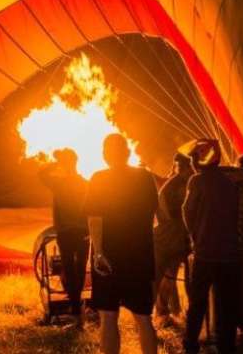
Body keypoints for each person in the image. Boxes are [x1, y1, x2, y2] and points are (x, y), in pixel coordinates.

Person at [84, 134, 158, 354]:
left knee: (108, 316)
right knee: (143, 317)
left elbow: (95, 218)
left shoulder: (99, 178)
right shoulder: (144, 177)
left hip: (109, 257)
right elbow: (154, 213)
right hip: (140, 255)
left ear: (106, 154)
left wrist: (98, 253)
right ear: (127, 152)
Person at [182, 139, 241, 354]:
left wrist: (195, 237)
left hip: (205, 253)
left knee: (197, 303)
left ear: (199, 161)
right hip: (230, 254)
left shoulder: (197, 181)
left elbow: (187, 213)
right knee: (226, 304)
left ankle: (190, 344)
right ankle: (227, 346)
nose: (191, 164)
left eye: (193, 159)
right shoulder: (230, 183)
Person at [38, 149, 90, 318]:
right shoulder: (85, 182)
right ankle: (77, 302)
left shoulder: (59, 183)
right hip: (83, 230)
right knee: (80, 266)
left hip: (66, 231)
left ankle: (75, 304)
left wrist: (56, 162)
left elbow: (41, 174)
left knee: (68, 265)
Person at [153, 152, 194, 321]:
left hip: (173, 237)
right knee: (165, 277)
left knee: (169, 277)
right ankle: (161, 312)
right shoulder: (176, 186)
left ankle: (170, 311)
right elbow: (173, 214)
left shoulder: (179, 183)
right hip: (170, 238)